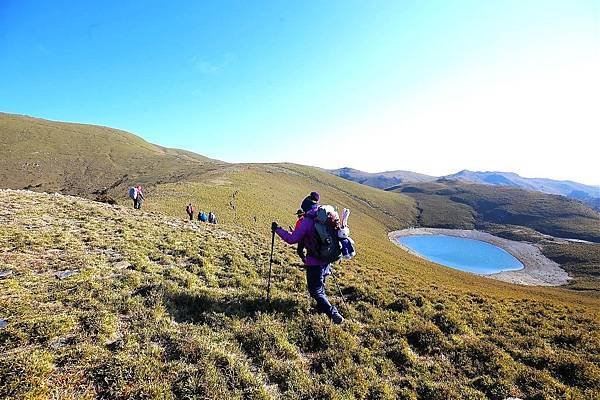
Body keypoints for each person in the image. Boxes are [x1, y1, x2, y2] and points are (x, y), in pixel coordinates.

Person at [272, 192, 344, 324]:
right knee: (320, 286)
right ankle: (321, 310)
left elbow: (292, 239)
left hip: (314, 261)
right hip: (327, 257)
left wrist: (278, 230)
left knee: (315, 291)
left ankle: (332, 313)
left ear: (305, 208)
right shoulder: (325, 215)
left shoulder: (306, 221)